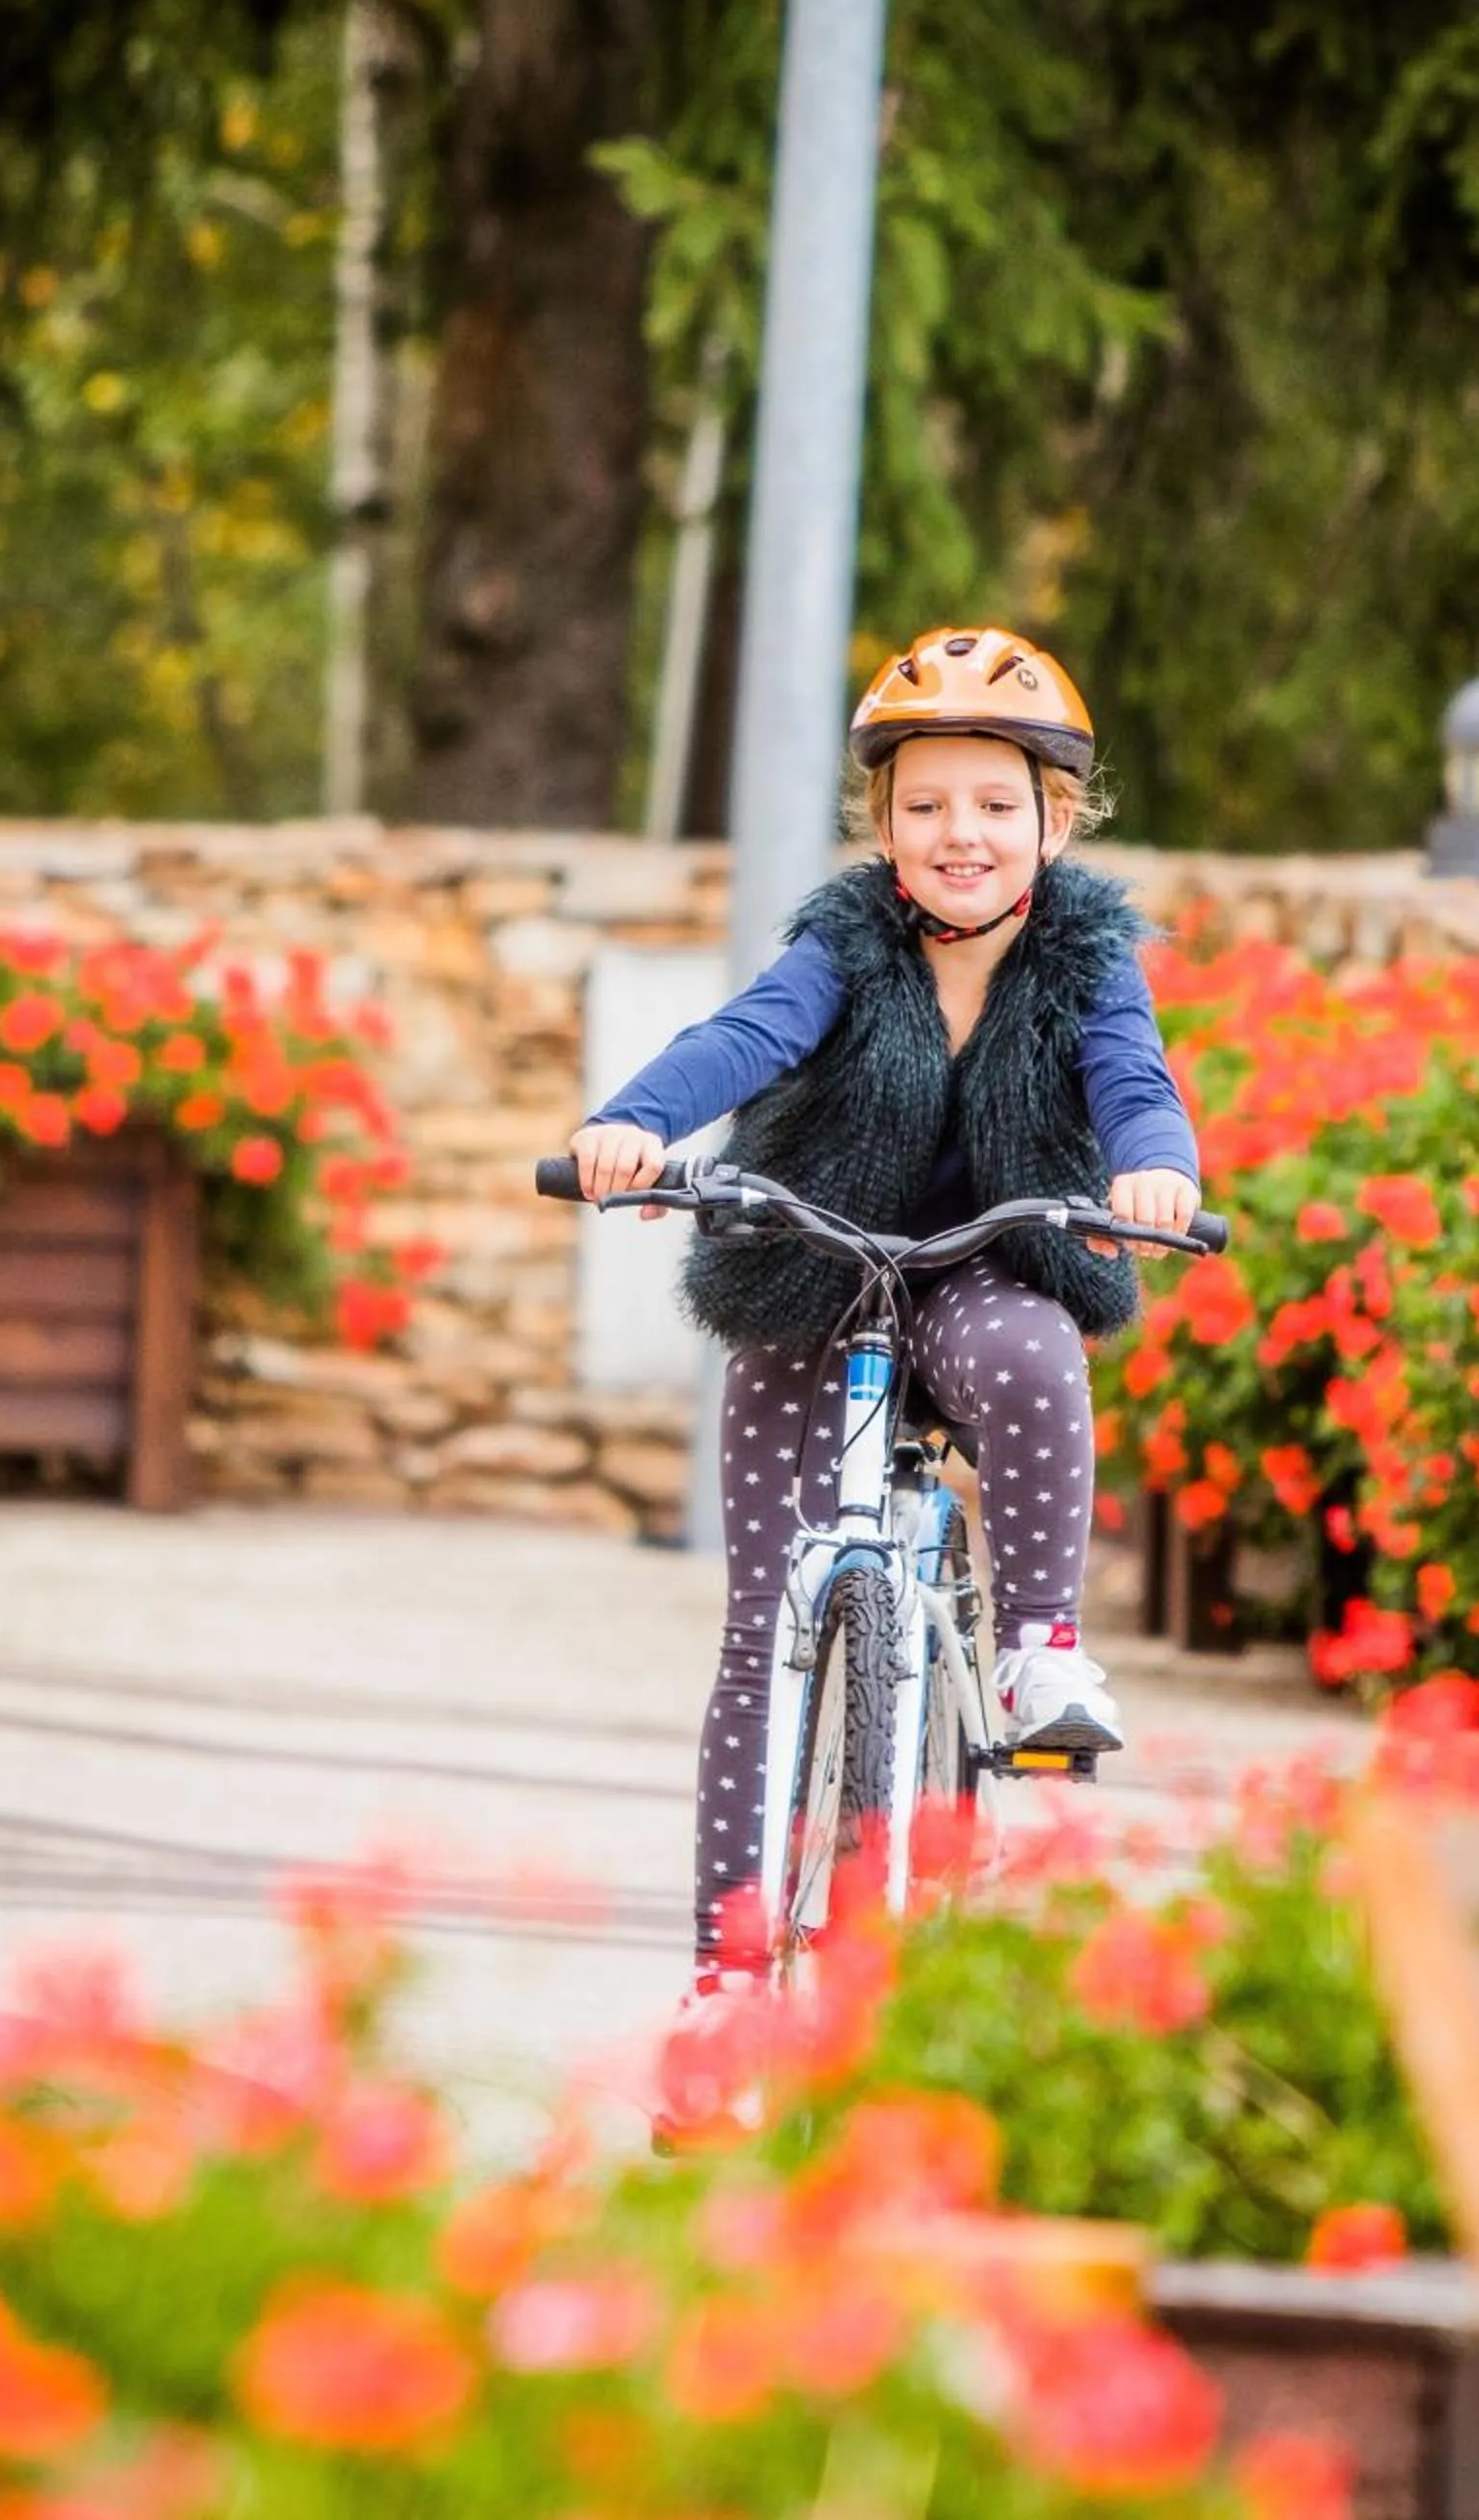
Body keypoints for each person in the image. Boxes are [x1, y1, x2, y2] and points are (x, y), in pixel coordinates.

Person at [565, 627, 1200, 2024]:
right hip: (816, 1273)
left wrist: (1159, 1166)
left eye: (992, 803)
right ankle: (727, 1986)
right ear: (884, 823)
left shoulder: (1090, 958)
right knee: (760, 1635)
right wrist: (632, 1122)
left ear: (1056, 816)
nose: (957, 834)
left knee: (1032, 1351)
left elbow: (1134, 1081)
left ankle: (1036, 1649)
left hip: (987, 1261)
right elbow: (744, 1036)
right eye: (923, 805)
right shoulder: (845, 943)